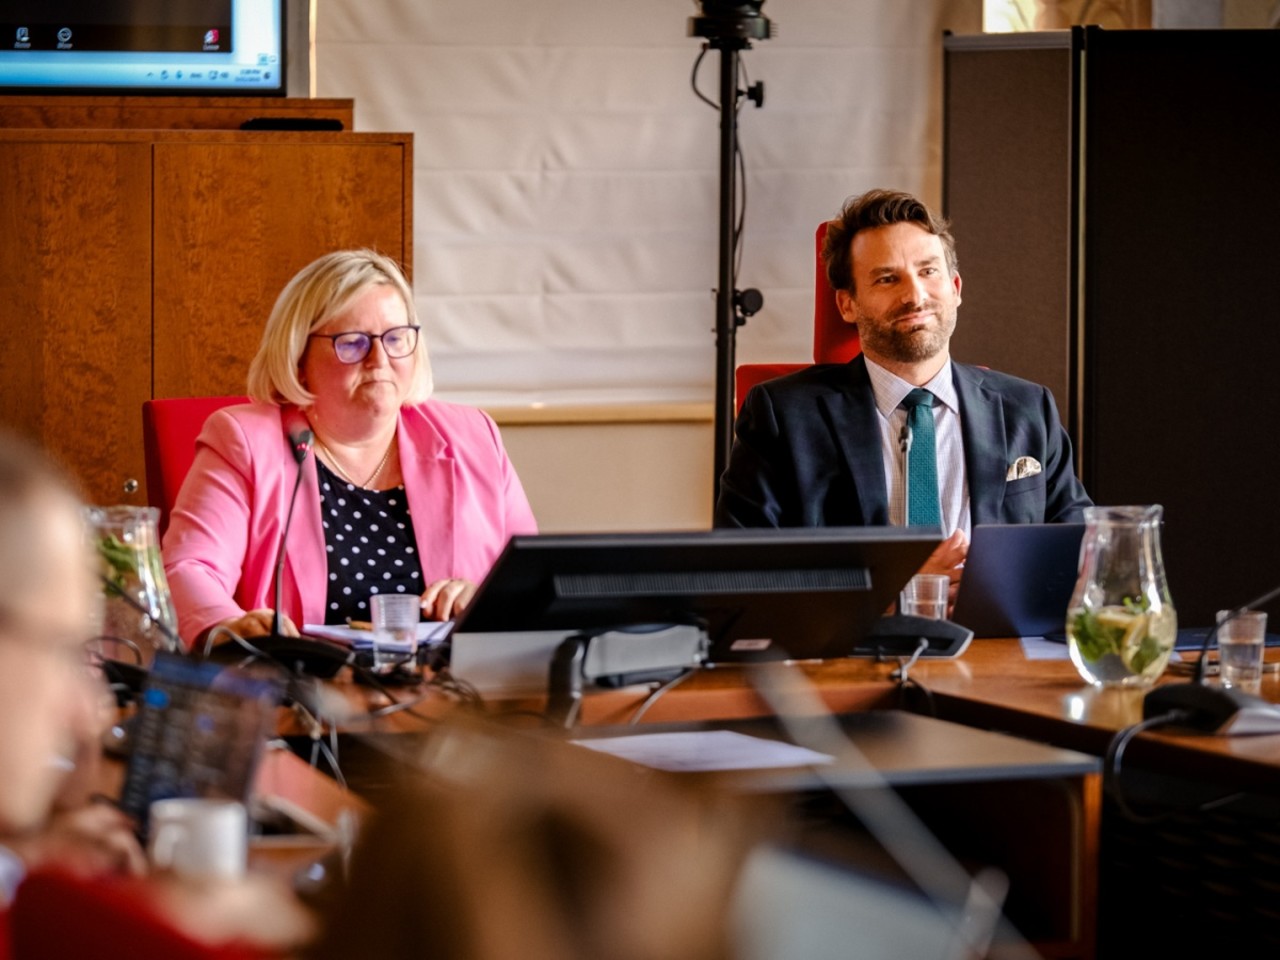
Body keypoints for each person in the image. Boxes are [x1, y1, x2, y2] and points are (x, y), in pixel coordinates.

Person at [715, 189, 1091, 588]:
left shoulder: (1028, 408)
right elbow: (740, 574)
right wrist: (897, 592)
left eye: (928, 271)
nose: (914, 296)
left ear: (956, 287)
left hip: (994, 627)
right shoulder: (781, 416)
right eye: (887, 279)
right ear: (847, 305)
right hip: (860, 629)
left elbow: (1082, 555)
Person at [163, 250, 538, 647]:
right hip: (305, 679)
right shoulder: (245, 440)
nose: (380, 360)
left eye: (395, 338)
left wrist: (485, 598)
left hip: (452, 679)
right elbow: (189, 568)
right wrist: (228, 628)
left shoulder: (472, 436)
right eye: (353, 343)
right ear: (299, 357)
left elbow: (531, 578)